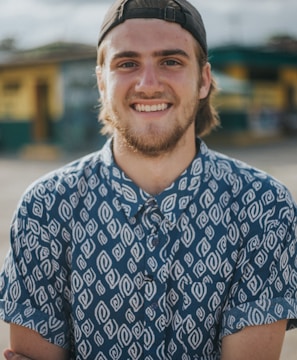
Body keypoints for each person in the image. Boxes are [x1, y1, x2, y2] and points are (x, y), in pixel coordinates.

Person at [1, 0, 297, 359]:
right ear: (101, 82)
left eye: (170, 61)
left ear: (203, 80)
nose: (148, 84)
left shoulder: (263, 206)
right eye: (127, 63)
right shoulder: (45, 208)